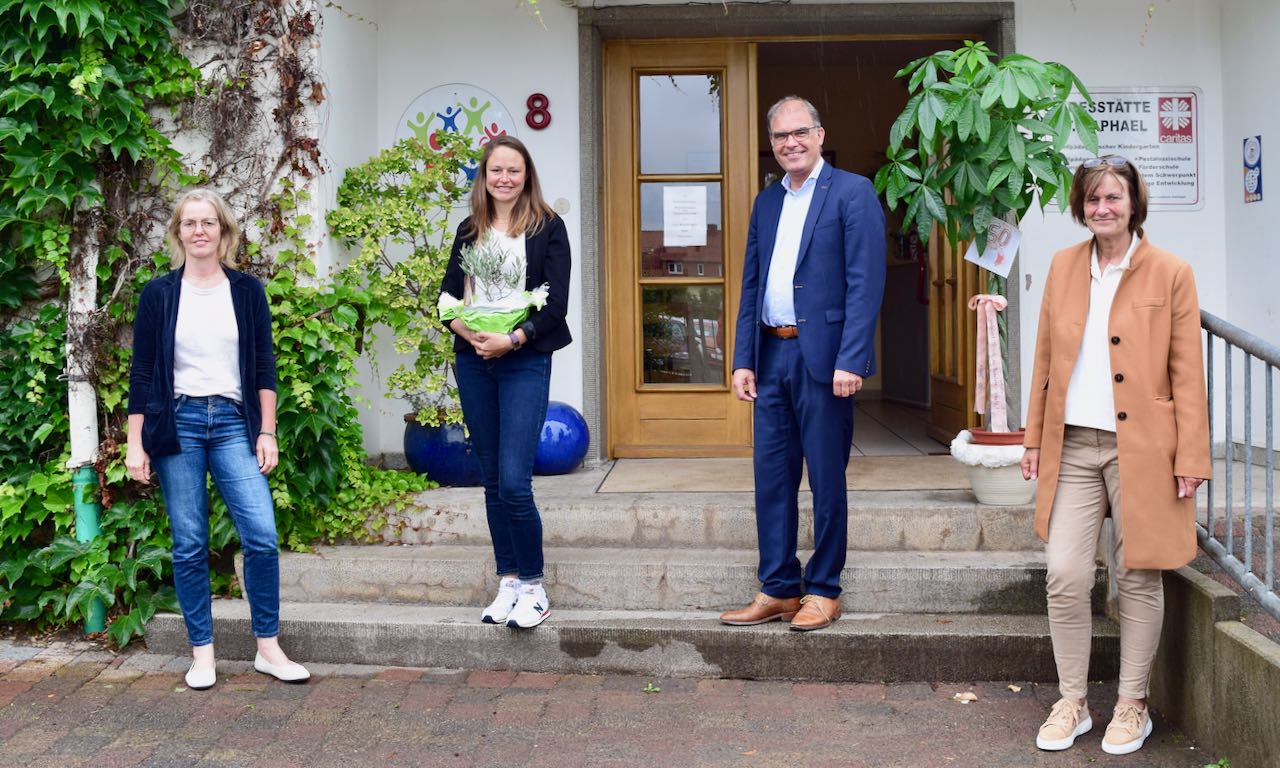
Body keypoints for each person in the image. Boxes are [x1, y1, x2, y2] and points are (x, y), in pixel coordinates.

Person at [1022, 155, 1210, 755]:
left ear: (1134, 204)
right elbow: (1046, 361)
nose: (1103, 208)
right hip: (1073, 443)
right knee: (1065, 574)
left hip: (1146, 449)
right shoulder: (1063, 266)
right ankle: (1072, 700)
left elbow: (1187, 372)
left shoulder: (1170, 271)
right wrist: (1032, 438)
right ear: (1081, 207)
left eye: (1114, 198)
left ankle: (1132, 704)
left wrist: (1192, 458)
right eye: (1093, 199)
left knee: (1138, 573)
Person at [126, 188, 309, 690]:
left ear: (223, 232)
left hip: (232, 421)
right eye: (190, 223)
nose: (200, 231)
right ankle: (201, 655)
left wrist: (266, 430)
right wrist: (134, 441)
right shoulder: (158, 295)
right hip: (178, 423)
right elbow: (142, 374)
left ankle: (268, 649)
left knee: (262, 535)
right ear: (178, 233)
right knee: (189, 543)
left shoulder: (246, 291)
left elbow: (264, 368)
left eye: (209, 223)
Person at [720, 96, 886, 632]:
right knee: (771, 477)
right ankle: (777, 588)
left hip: (825, 360)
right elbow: (751, 283)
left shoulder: (853, 193)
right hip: (771, 355)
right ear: (772, 145)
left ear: (819, 134)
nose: (790, 143)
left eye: (799, 133)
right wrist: (743, 357)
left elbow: (865, 284)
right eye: (779, 137)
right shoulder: (767, 202)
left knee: (826, 478)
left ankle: (824, 589)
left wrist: (852, 358)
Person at [441, 135, 571, 630]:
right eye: (496, 170)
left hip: (522, 360)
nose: (504, 179)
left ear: (526, 175)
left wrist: (512, 339)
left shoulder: (547, 229)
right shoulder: (469, 230)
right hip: (475, 360)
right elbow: (447, 298)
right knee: (493, 480)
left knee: (516, 481)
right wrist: (469, 333)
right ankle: (509, 582)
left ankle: (535, 587)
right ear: (484, 175)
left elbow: (555, 304)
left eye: (513, 170)